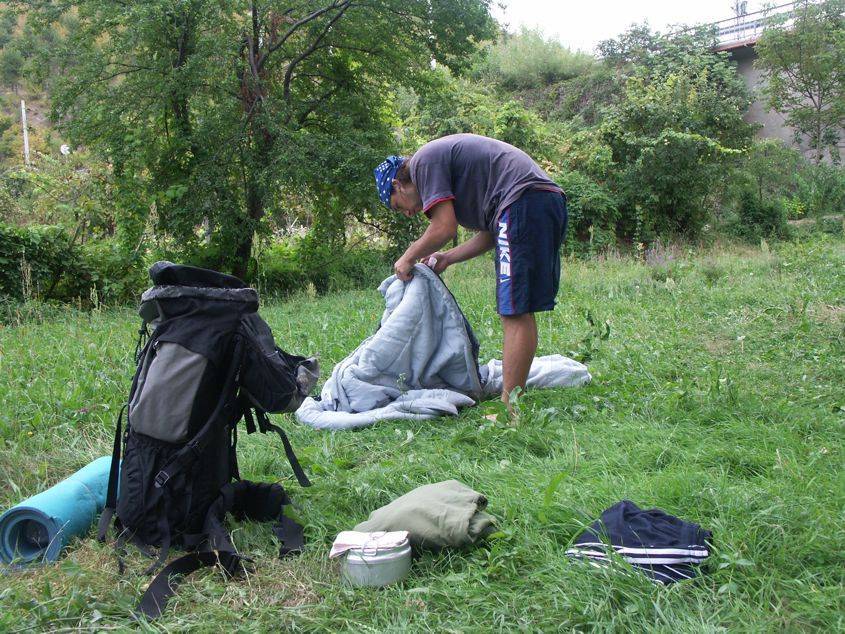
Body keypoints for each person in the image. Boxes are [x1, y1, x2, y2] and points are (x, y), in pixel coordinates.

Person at [373, 133, 567, 409]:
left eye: (397, 206)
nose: (406, 214)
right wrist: (448, 258)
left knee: (515, 311)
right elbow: (492, 234)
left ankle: (510, 410)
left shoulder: (423, 163)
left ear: (397, 185)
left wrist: (407, 257)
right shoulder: (453, 176)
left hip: (524, 202)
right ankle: (514, 404)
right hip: (542, 201)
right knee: (519, 308)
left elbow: (443, 228)